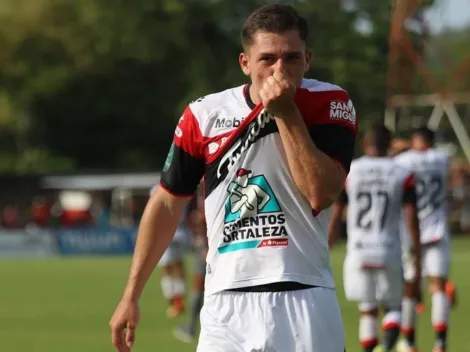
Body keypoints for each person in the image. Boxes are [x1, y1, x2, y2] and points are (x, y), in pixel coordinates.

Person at [109, 4, 357, 351]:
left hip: (304, 295)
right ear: (245, 63)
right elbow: (167, 202)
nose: (279, 70)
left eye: (291, 58)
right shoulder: (204, 115)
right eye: (267, 59)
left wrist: (285, 111)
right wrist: (130, 295)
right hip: (226, 303)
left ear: (308, 59)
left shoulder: (329, 102)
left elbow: (321, 192)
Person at [329, 124, 421, 352]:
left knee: (367, 308)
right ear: (390, 145)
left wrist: (326, 244)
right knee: (395, 307)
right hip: (388, 248)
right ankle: (388, 344)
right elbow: (411, 217)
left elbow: (336, 214)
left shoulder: (351, 171)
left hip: (358, 250)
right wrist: (416, 252)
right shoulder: (402, 173)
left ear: (363, 145)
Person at [394, 127, 453, 352]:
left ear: (414, 139)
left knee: (410, 286)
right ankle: (440, 342)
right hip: (437, 230)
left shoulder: (403, 161)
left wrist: (404, 146)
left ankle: (409, 343)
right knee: (438, 286)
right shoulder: (441, 158)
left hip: (410, 232)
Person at [173, 182, 208, 343]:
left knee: (198, 286)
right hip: (220, 244)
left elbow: (200, 218)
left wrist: (202, 243)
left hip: (207, 246)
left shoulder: (205, 188)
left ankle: (191, 327)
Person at [150, 185, 191, 318]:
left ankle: (175, 301)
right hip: (181, 232)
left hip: (168, 233)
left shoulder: (156, 189)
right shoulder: (184, 186)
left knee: (167, 268)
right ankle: (178, 301)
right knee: (178, 265)